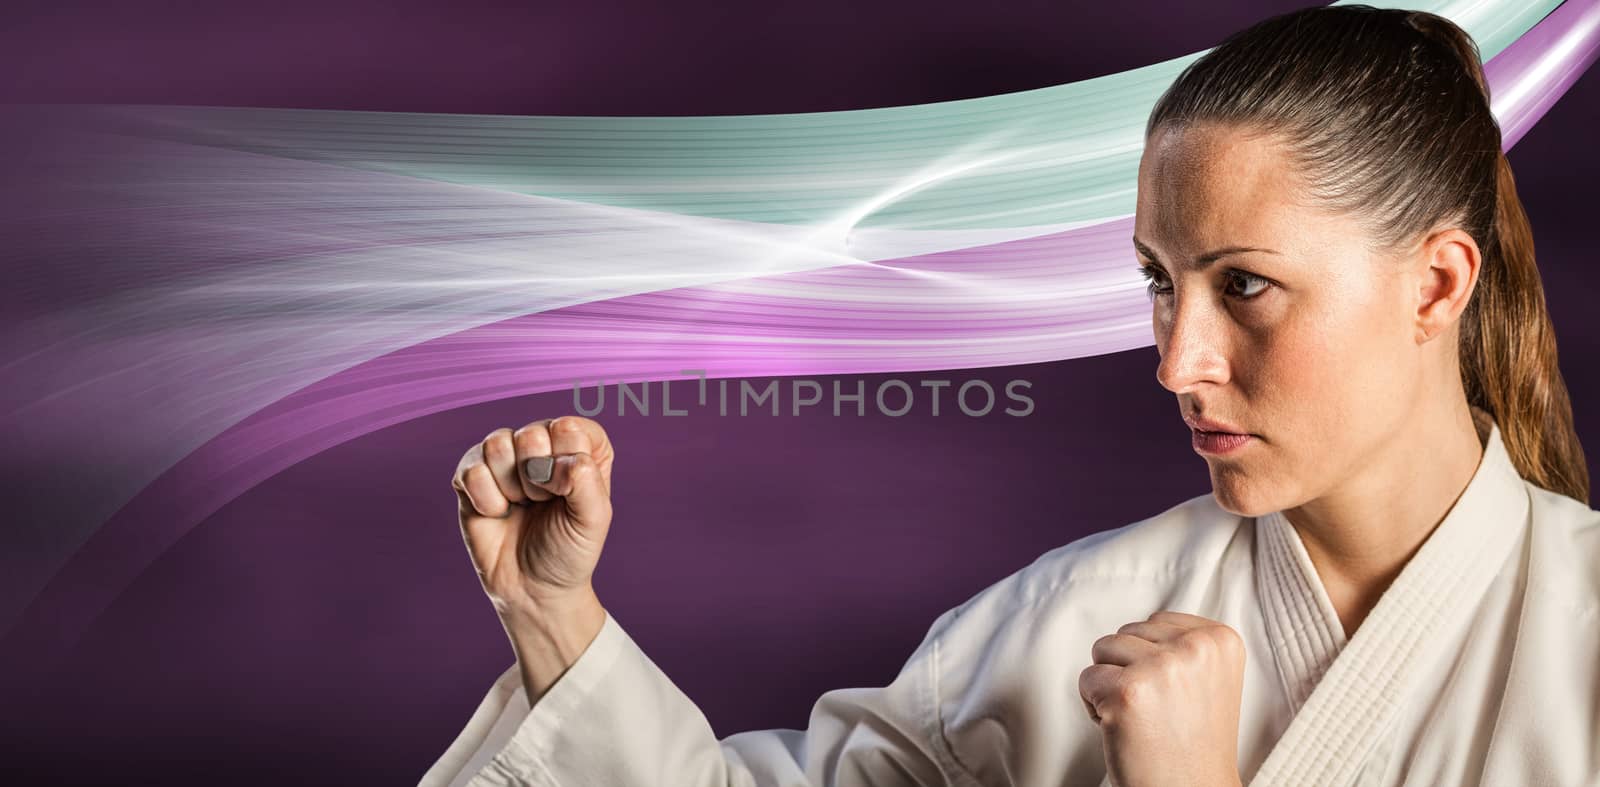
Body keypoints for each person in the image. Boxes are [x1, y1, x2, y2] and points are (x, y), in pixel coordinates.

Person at [420, 6, 1598, 786]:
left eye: (1245, 285)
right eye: (1157, 281)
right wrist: (550, 612)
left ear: (1437, 280)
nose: (1176, 360)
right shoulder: (1074, 619)